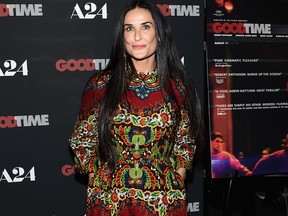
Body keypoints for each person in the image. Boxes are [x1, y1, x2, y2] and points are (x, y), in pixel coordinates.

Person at [68, 0, 203, 215]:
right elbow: (83, 139)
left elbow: (185, 141)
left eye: (145, 27)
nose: (137, 36)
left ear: (159, 34)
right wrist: (98, 185)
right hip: (110, 200)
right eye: (129, 28)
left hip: (163, 201)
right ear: (122, 38)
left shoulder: (179, 86)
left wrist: (177, 177)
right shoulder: (100, 85)